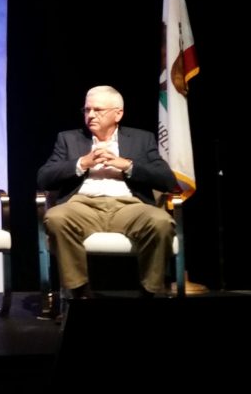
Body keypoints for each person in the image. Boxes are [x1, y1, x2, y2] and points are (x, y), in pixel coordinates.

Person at [37, 85, 176, 299]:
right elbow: (44, 178)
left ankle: (150, 293)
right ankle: (79, 293)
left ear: (118, 113)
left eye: (98, 110)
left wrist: (127, 165)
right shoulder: (68, 139)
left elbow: (167, 180)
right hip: (82, 206)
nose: (90, 115)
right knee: (56, 217)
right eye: (86, 110)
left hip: (129, 207)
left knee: (161, 222)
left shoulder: (141, 139)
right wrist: (82, 163)